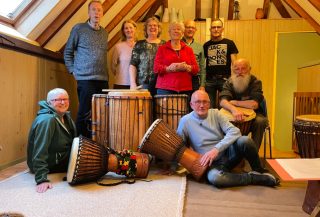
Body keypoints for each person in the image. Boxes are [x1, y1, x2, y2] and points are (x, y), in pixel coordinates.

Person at [177, 90, 279, 188]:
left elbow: (235, 131)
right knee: (215, 178)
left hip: (229, 155)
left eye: (205, 102)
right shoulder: (185, 121)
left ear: (209, 103)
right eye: (198, 102)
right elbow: (179, 145)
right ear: (191, 105)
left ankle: (259, 170)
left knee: (245, 140)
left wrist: (216, 149)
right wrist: (173, 166)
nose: (202, 105)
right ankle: (254, 178)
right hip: (209, 165)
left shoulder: (216, 113)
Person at [64, 0, 108, 138]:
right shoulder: (78, 29)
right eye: (94, 9)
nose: (97, 12)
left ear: (102, 13)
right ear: (89, 13)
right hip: (85, 78)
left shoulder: (104, 32)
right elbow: (68, 51)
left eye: (99, 10)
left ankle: (96, 145)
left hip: (102, 79)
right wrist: (72, 70)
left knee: (102, 113)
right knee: (84, 113)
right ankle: (79, 146)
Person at [27, 88, 77, 193]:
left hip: (59, 157)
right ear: (49, 102)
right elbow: (40, 150)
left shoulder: (65, 116)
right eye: (58, 100)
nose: (63, 102)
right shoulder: (47, 120)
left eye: (66, 99)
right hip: (50, 162)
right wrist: (41, 179)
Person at [219, 58, 268, 150]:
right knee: (218, 119)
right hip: (233, 114)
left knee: (260, 122)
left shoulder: (255, 82)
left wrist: (235, 102)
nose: (239, 72)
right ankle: (228, 153)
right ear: (233, 70)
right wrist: (234, 110)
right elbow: (223, 102)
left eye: (243, 68)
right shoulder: (229, 82)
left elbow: (254, 104)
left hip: (255, 115)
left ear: (249, 69)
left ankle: (253, 153)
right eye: (236, 69)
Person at [153, 21, 199, 95]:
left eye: (179, 29)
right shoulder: (162, 48)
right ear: (169, 32)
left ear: (182, 33)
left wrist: (187, 67)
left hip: (185, 88)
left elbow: (196, 69)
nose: (176, 31)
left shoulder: (188, 49)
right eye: (173, 29)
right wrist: (169, 68)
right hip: (165, 88)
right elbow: (156, 68)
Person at [203, 18, 238, 108]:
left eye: (218, 27)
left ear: (222, 29)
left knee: (226, 105)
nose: (216, 29)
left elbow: (235, 63)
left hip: (225, 80)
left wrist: (235, 79)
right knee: (210, 107)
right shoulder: (206, 45)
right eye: (213, 27)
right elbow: (203, 64)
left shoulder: (229, 43)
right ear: (210, 30)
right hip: (209, 80)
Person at [129, 16, 166, 96]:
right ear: (146, 28)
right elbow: (133, 65)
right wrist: (132, 83)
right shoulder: (139, 44)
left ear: (159, 28)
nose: (152, 27)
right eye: (150, 25)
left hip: (161, 85)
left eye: (155, 25)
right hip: (143, 85)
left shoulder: (165, 45)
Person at [111, 19, 137, 89]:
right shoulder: (118, 47)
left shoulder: (139, 46)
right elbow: (113, 67)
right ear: (123, 31)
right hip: (120, 83)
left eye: (131, 27)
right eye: (126, 28)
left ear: (135, 29)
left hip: (136, 84)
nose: (129, 30)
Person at [182, 19, 206, 92]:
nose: (190, 29)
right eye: (188, 27)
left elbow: (202, 67)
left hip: (195, 80)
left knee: (194, 102)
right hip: (181, 79)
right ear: (183, 29)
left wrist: (202, 85)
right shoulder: (177, 44)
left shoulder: (199, 46)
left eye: (192, 28)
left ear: (195, 30)